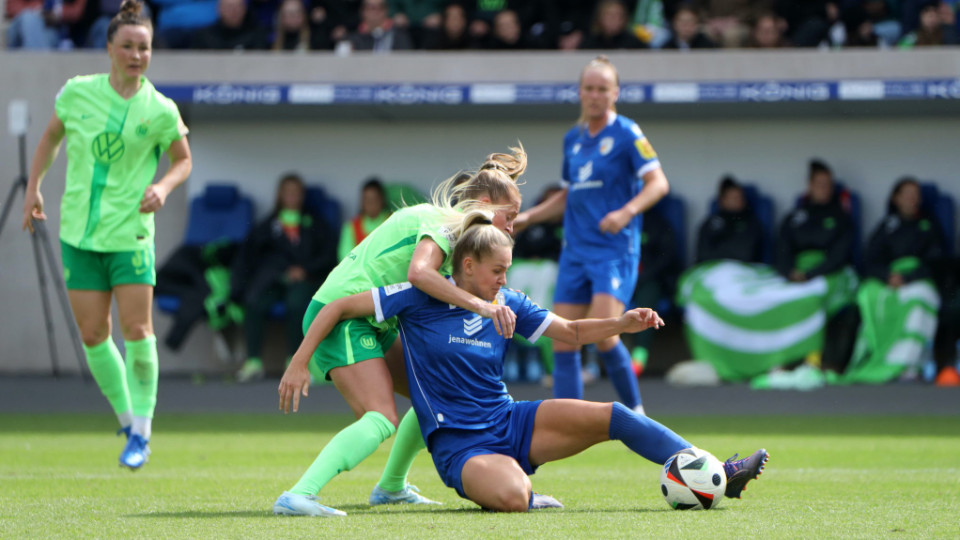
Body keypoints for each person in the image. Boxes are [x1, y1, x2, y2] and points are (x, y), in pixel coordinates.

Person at [279, 216, 769, 513]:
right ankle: (509, 486)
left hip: (510, 421)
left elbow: (572, 332)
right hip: (460, 445)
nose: (504, 279)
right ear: (467, 266)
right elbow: (336, 307)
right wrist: (300, 362)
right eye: (497, 270)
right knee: (516, 497)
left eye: (507, 271)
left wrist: (622, 323)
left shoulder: (509, 302)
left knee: (616, 416)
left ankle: (717, 471)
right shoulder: (417, 297)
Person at [271, 147, 527, 517]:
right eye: (510, 216)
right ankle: (299, 494)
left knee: (435, 394)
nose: (510, 227)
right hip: (342, 316)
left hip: (369, 319)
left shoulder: (456, 232)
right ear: (485, 203)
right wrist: (300, 360)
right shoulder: (448, 224)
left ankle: (391, 487)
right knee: (381, 417)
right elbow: (419, 275)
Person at [21, 0, 192, 469]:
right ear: (110, 48)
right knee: (94, 333)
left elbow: (182, 159)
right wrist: (34, 189)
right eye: (129, 46)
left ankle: (143, 431)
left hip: (131, 235)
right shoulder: (78, 93)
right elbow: (50, 138)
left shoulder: (159, 108)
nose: (137, 55)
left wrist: (162, 185)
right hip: (78, 232)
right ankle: (126, 419)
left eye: (145, 48)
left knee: (139, 330)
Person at [515, 56, 670, 415]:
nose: (595, 95)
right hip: (575, 252)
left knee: (604, 336)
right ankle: (567, 418)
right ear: (580, 92)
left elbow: (658, 182)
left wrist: (626, 212)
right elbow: (568, 196)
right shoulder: (573, 139)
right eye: (589, 88)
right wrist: (529, 218)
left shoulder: (628, 133)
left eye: (603, 88)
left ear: (615, 93)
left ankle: (636, 413)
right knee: (565, 338)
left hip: (613, 252)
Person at [833, 177, 943, 384]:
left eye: (916, 195)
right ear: (896, 198)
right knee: (869, 296)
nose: (913, 199)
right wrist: (887, 276)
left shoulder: (928, 225)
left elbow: (936, 261)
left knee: (918, 299)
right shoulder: (887, 226)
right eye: (907, 194)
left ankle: (908, 366)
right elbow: (870, 258)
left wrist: (908, 277)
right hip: (889, 280)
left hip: (918, 280)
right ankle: (878, 361)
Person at [233, 173, 337, 383]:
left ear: (302, 195)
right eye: (287, 192)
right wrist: (280, 271)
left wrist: (304, 269)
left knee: (298, 303)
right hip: (274, 281)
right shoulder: (267, 224)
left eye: (296, 192)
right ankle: (253, 362)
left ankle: (295, 362)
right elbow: (254, 258)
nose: (291, 196)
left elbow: (328, 256)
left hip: (307, 280)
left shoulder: (316, 223)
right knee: (255, 302)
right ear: (280, 195)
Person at [695, 176, 762, 264]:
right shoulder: (710, 223)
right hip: (712, 270)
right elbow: (702, 254)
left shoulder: (752, 223)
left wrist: (720, 253)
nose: (739, 201)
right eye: (733, 198)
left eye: (740, 197)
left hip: (741, 270)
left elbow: (745, 254)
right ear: (722, 200)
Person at [337, 177, 390, 262]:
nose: (371, 204)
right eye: (367, 200)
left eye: (374, 199)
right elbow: (346, 256)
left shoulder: (392, 221)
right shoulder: (351, 226)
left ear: (382, 200)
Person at [191, 0, 269, 50]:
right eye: (229, 7)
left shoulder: (257, 34)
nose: (233, 11)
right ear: (219, 9)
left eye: (237, 7)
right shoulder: (204, 36)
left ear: (244, 9)